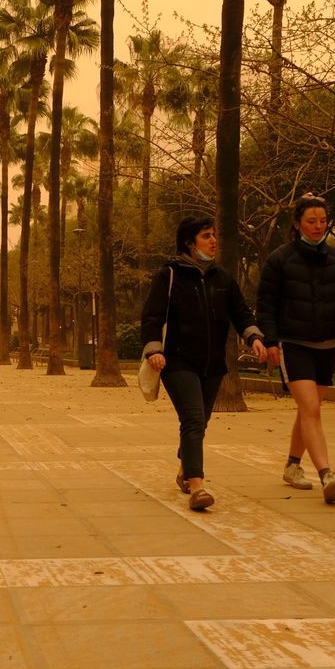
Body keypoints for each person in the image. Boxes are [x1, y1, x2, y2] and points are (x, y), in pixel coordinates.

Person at [141, 217, 268, 511]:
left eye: (214, 236)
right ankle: (197, 486)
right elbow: (152, 317)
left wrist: (255, 338)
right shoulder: (169, 275)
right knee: (194, 419)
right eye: (206, 236)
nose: (213, 241)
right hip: (178, 361)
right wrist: (154, 351)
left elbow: (241, 313)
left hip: (212, 364)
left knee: (201, 421)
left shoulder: (222, 278)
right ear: (189, 242)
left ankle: (186, 467)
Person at [255, 195, 335, 505]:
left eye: (322, 220)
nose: (318, 226)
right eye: (311, 221)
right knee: (312, 410)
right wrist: (270, 341)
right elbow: (265, 305)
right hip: (292, 343)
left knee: (308, 411)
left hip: (327, 344)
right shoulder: (279, 260)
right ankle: (326, 474)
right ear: (297, 225)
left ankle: (293, 466)